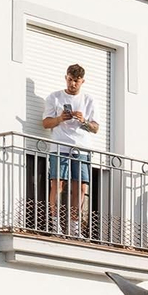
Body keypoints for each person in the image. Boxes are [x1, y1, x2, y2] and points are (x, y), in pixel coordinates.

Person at [40, 63, 100, 237]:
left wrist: (84, 122)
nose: (73, 84)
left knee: (80, 188)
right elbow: (45, 123)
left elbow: (95, 128)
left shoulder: (89, 100)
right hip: (60, 146)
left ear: (83, 81)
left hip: (82, 148)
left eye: (77, 81)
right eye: (70, 80)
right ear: (66, 77)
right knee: (57, 184)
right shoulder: (55, 97)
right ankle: (55, 225)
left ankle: (75, 227)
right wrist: (60, 118)